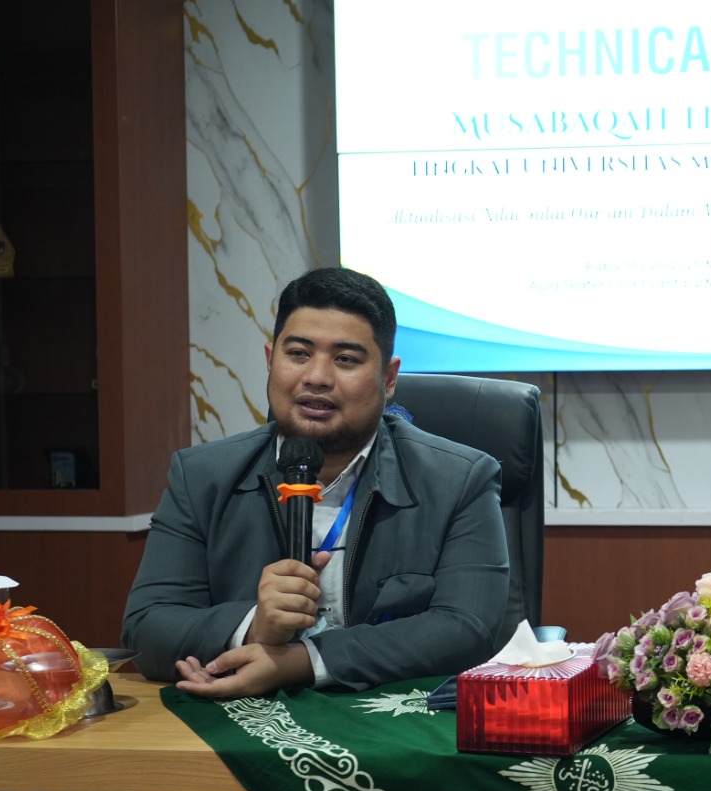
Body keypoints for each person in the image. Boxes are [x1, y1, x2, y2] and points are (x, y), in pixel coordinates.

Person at [122, 267, 509, 699]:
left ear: (388, 378)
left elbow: (467, 629)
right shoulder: (200, 476)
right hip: (246, 714)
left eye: (346, 359)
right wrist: (253, 626)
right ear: (270, 361)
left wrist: (299, 662)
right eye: (299, 354)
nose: (317, 377)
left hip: (388, 715)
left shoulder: (460, 479)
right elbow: (147, 626)